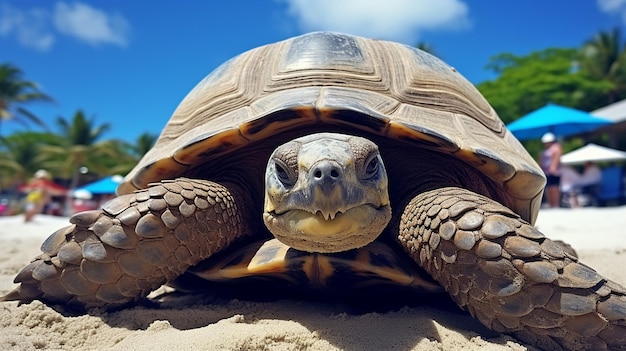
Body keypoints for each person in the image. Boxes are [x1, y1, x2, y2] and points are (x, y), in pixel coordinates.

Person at [539, 132, 562, 208]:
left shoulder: (556, 148)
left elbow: (556, 159)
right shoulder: (546, 150)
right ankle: (551, 204)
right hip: (546, 171)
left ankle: (555, 204)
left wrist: (553, 168)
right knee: (548, 188)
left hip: (553, 171)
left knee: (554, 187)